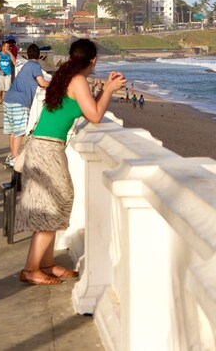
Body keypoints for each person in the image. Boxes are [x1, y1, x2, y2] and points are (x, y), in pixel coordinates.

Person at [15, 39, 126, 285]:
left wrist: (103, 89)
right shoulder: (77, 80)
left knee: (56, 202)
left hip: (44, 146)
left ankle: (45, 264)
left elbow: (86, 108)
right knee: (54, 204)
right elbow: (96, 116)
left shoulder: (69, 76)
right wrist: (108, 90)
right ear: (93, 60)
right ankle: (31, 269)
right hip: (46, 150)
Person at [3, 44, 51, 169]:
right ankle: (14, 158)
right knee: (19, 131)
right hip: (21, 101)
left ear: (28, 55)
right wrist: (55, 83)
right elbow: (42, 82)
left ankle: (12, 156)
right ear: (39, 55)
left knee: (12, 130)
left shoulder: (25, 65)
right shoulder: (35, 66)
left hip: (9, 99)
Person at [0, 39, 16, 104]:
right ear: (3, 47)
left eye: (8, 47)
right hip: (0, 74)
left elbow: (14, 61)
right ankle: (0, 98)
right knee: (0, 88)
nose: (7, 48)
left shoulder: (9, 55)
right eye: (6, 46)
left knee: (8, 88)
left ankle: (7, 99)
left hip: (8, 73)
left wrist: (10, 53)